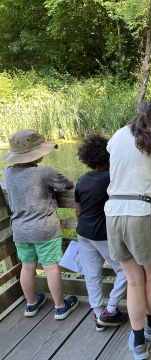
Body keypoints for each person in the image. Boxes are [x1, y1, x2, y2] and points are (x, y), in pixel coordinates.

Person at [104, 101, 151, 360]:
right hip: (142, 213)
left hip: (113, 212)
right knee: (150, 278)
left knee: (134, 281)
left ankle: (139, 343)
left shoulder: (116, 135)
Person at [3, 130, 78, 319]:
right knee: (51, 267)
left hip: (21, 229)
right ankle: (60, 307)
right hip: (45, 229)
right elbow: (68, 184)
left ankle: (31, 304)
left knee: (27, 267)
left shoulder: (8, 172)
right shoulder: (45, 172)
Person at [75, 134, 128, 331]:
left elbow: (78, 211)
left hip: (83, 232)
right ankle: (111, 309)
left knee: (92, 273)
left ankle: (97, 312)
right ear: (109, 156)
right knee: (126, 272)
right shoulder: (113, 179)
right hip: (103, 233)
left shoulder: (82, 180)